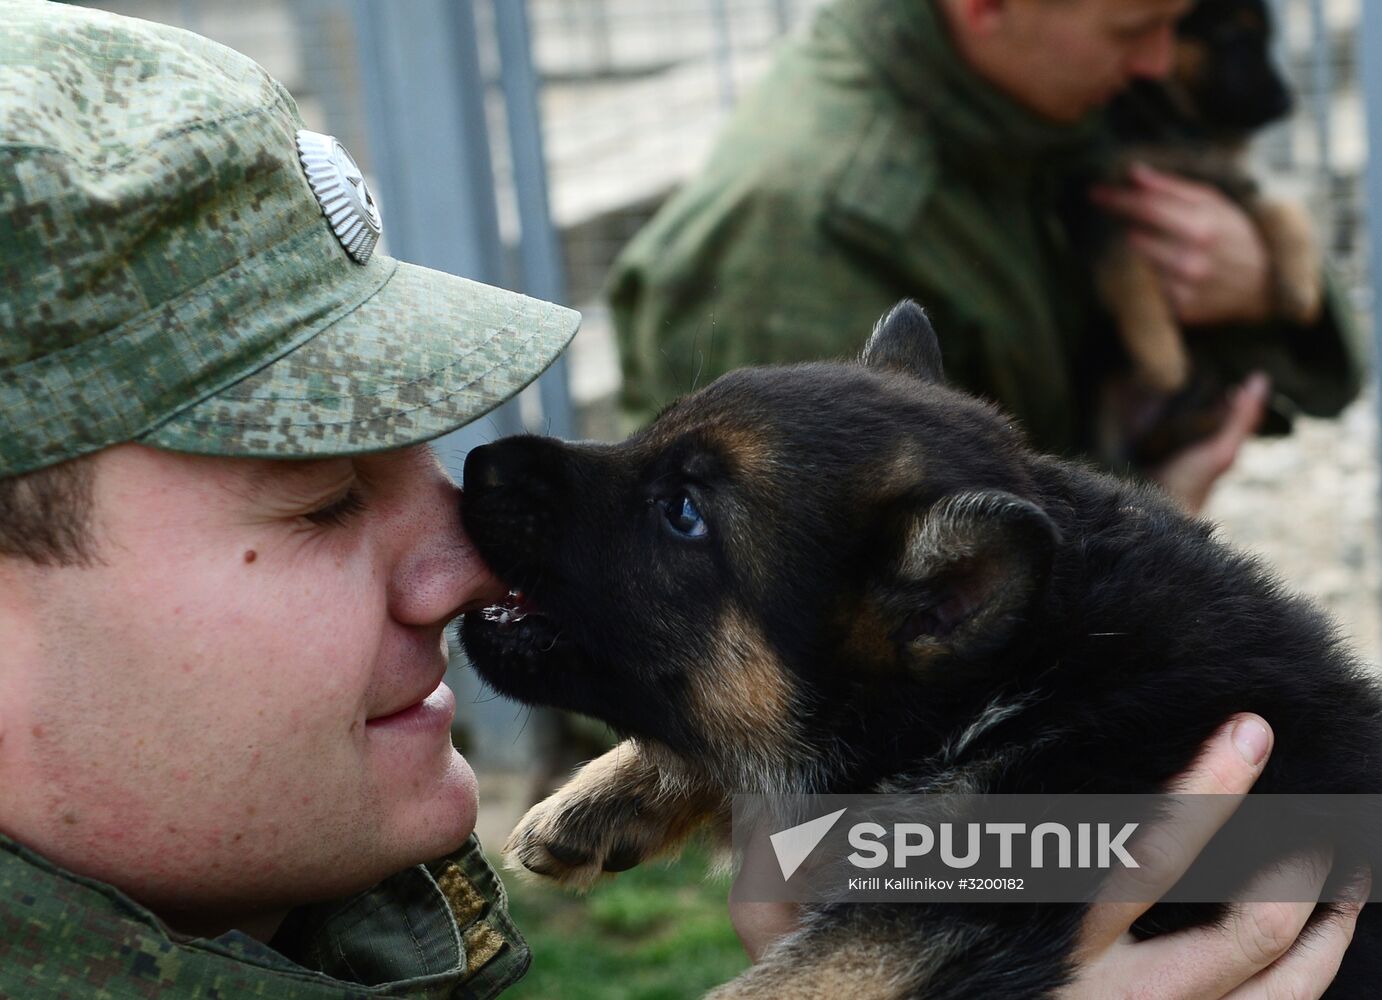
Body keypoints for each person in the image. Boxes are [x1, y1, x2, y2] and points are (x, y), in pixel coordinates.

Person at [0, 4, 1362, 998]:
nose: (457, 562)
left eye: (410, 459)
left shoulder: (339, 933)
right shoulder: (814, 212)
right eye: (310, 503)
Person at [608, 0, 1363, 512]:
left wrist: (1259, 285)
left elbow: (1332, 377)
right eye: (1133, 28)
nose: (1157, 64)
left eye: (1176, 23)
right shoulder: (806, 239)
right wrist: (1143, 524)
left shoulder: (1037, 86)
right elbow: (818, 654)